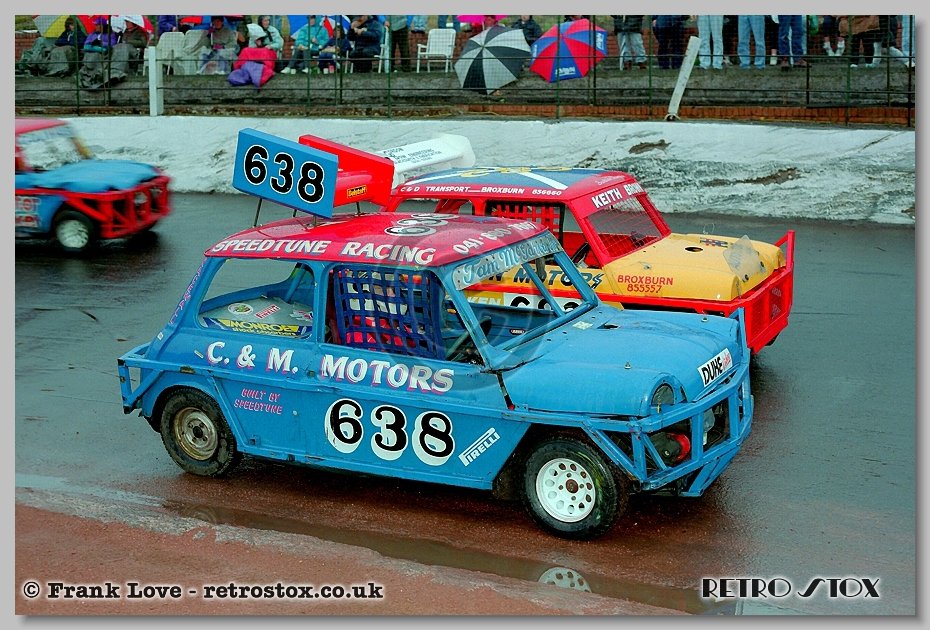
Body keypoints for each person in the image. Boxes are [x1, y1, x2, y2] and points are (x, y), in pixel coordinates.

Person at [79, 16, 120, 89]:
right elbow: (86, 44)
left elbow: (113, 44)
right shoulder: (92, 34)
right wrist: (94, 45)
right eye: (96, 25)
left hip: (103, 54)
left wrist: (101, 43)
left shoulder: (110, 34)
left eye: (98, 25)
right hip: (90, 53)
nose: (96, 27)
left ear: (103, 26)